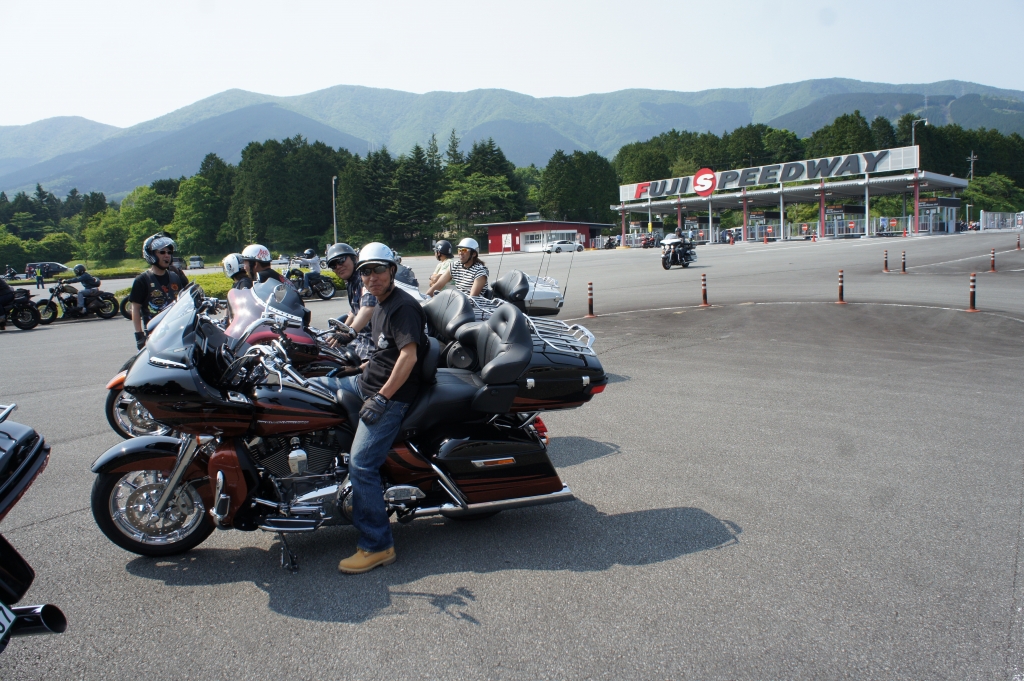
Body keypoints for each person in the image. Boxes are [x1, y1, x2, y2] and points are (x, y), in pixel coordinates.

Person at [312, 242, 427, 574]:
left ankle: (378, 545)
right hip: (367, 382)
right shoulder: (379, 303)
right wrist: (356, 370)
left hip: (392, 396)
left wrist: (382, 397)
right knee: (308, 390)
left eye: (378, 270)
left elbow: (408, 357)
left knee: (361, 465)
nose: (371, 277)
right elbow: (384, 353)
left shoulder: (403, 307)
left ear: (392, 270)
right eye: (365, 271)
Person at [130, 234, 189, 349]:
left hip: (176, 333)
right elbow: (135, 308)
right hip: (155, 337)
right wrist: (139, 335)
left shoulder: (176, 276)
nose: (167, 255)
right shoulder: (142, 280)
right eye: (162, 252)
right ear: (151, 254)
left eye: (169, 252)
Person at [325, 242, 377, 361]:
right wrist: (341, 331)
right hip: (360, 337)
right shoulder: (351, 282)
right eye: (333, 265)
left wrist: (349, 333)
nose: (338, 266)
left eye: (341, 260)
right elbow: (355, 311)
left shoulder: (363, 278)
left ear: (354, 259)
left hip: (371, 341)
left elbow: (368, 308)